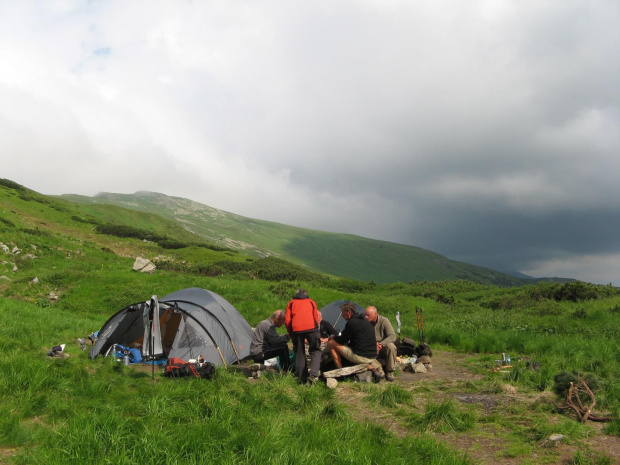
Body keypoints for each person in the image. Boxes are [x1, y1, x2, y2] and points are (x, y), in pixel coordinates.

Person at [327, 302, 385, 380]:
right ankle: (373, 369)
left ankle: (340, 372)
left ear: (349, 312)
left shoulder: (351, 323)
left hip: (361, 357)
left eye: (343, 312)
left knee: (331, 343)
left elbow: (342, 340)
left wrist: (333, 337)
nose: (342, 315)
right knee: (356, 351)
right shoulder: (365, 321)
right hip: (372, 356)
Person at [285, 289, 322, 384]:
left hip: (296, 330)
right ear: (306, 295)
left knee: (299, 353)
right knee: (316, 350)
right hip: (312, 329)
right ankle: (313, 375)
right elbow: (316, 317)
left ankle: (302, 378)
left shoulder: (291, 303)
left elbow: (287, 321)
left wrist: (291, 333)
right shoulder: (311, 302)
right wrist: (315, 330)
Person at [365, 306, 398, 381]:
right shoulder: (365, 323)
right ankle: (379, 369)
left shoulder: (384, 321)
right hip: (372, 347)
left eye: (368, 315)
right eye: (365, 315)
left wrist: (381, 344)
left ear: (375, 314)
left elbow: (392, 336)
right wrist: (374, 345)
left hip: (383, 346)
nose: (366, 317)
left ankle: (390, 371)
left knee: (391, 346)